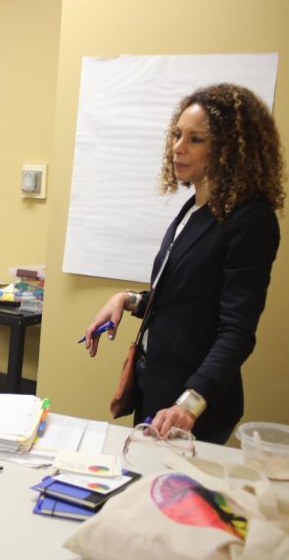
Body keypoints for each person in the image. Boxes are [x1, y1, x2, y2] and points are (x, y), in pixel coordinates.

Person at [84, 83, 284, 444]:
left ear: (229, 148)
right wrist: (127, 299)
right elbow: (183, 299)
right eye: (177, 135)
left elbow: (237, 332)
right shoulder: (194, 209)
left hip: (192, 408)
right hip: (155, 389)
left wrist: (189, 404)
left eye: (195, 139)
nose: (177, 147)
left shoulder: (250, 220)